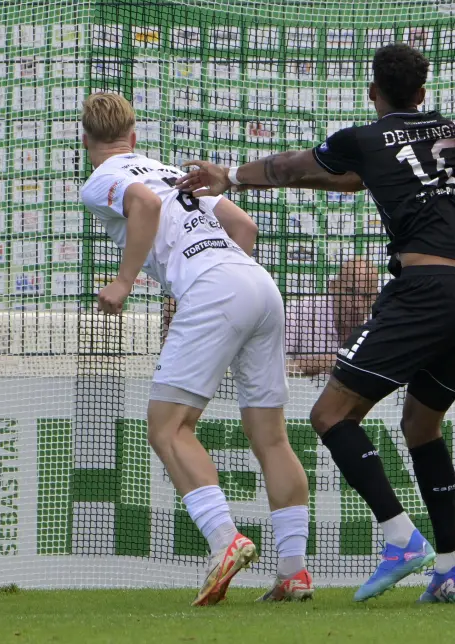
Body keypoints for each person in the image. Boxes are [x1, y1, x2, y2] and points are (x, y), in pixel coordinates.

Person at [179, 44, 455, 605]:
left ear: (373, 92)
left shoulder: (364, 138)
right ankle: (449, 567)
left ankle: (400, 539)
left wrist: (228, 175)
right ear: (422, 94)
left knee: (329, 414)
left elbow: (285, 168)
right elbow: (352, 181)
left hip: (423, 289)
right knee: (422, 427)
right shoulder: (450, 131)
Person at [77, 92, 313, 606]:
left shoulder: (100, 180)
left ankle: (226, 541)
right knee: (270, 437)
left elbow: (144, 204)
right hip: (258, 285)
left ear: (86, 140)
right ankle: (294, 573)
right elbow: (243, 227)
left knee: (167, 427)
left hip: (215, 290)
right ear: (134, 137)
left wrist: (124, 282)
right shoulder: (171, 170)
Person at [286, 257, 380, 377]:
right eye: (350, 292)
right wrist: (327, 362)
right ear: (333, 287)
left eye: (366, 295)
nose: (357, 304)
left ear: (376, 297)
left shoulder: (380, 325)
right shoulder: (299, 313)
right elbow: (273, 366)